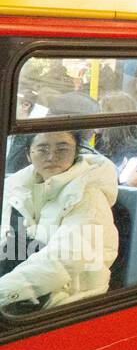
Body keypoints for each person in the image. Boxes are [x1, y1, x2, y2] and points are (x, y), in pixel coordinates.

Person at [0, 130, 118, 309]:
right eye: (42, 149)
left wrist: (4, 290)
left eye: (62, 149)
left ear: (76, 152)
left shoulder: (88, 197)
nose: (51, 157)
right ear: (28, 154)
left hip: (69, 294)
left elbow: (63, 260)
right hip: (30, 285)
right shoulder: (17, 189)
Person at [93, 92, 137, 189]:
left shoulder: (135, 149)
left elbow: (124, 186)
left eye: (99, 111)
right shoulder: (102, 141)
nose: (94, 115)